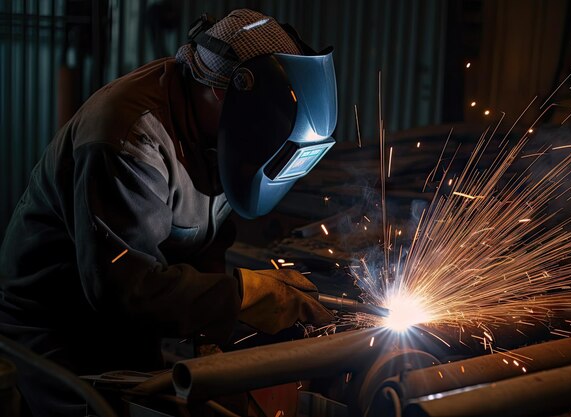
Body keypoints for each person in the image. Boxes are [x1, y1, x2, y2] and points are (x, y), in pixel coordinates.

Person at [0, 9, 336, 415]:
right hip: (57, 330)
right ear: (223, 92)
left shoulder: (219, 130)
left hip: (130, 329)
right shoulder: (127, 140)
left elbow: (208, 238)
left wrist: (209, 333)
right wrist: (241, 295)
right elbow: (125, 288)